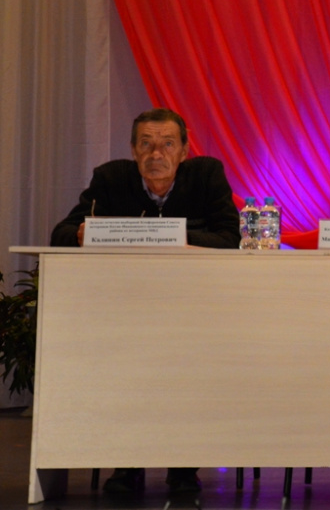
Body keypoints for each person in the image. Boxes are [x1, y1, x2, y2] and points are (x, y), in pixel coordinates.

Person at [50, 108, 240, 493]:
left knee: (189, 377)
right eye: (146, 144)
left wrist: (166, 237)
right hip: (127, 309)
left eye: (167, 144)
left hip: (195, 309)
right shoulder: (111, 179)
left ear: (184, 150)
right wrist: (81, 235)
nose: (156, 154)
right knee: (126, 376)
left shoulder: (206, 175)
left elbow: (229, 238)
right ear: (133, 149)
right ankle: (127, 464)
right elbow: (61, 233)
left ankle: (183, 467)